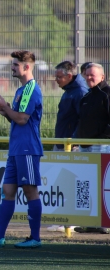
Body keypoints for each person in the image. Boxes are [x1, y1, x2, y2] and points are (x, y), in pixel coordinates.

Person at [0, 51, 43, 248]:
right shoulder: (21, 90)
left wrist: (6, 107)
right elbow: (16, 117)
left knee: (30, 191)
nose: (12, 67)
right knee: (7, 191)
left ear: (26, 67)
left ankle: (35, 238)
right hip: (16, 149)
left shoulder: (31, 89)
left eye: (15, 64)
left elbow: (22, 119)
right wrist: (4, 109)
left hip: (27, 148)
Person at [47, 61, 88, 232]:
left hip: (70, 145)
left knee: (70, 182)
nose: (56, 80)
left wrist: (73, 141)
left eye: (58, 77)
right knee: (61, 182)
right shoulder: (70, 91)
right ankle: (64, 219)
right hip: (62, 143)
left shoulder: (79, 92)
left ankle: (71, 221)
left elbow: (82, 119)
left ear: (69, 76)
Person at [74, 63, 110, 234]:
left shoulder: (107, 94)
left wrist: (103, 139)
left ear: (102, 76)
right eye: (86, 75)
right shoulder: (87, 96)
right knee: (86, 185)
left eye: (92, 75)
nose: (89, 78)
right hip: (85, 146)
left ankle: (104, 223)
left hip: (101, 146)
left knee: (103, 185)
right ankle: (89, 222)